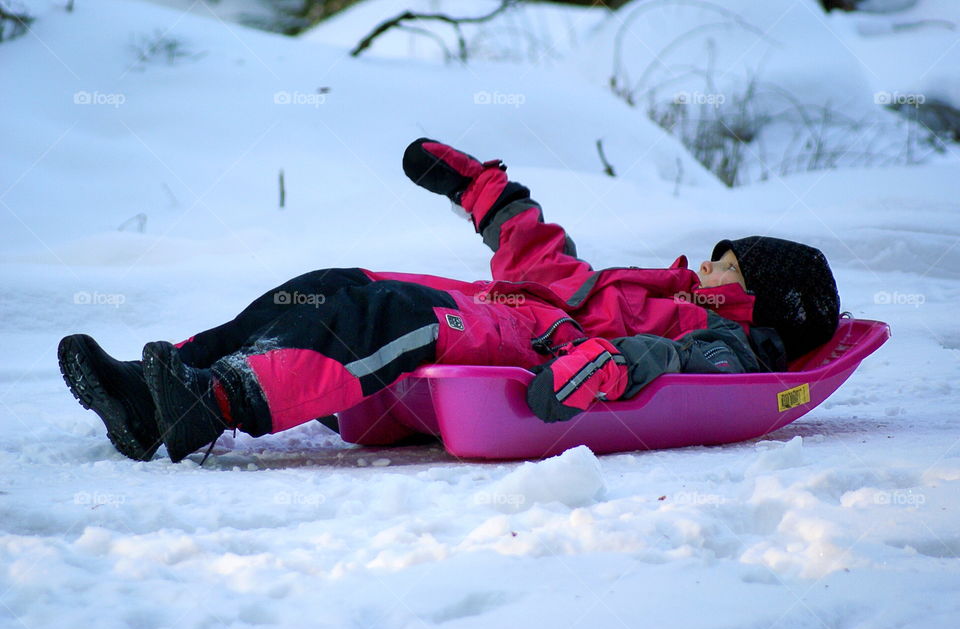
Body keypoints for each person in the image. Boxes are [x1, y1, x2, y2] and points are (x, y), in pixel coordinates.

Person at [57, 138, 841, 464]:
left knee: (385, 317)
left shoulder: (736, 347)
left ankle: (215, 403)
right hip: (504, 315)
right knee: (332, 286)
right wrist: (484, 189)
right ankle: (158, 385)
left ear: (763, 300)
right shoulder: (650, 286)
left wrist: (607, 362)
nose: (709, 268)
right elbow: (546, 264)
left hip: (534, 355)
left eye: (730, 269)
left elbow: (682, 368)